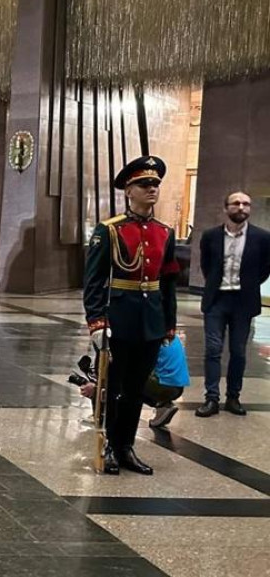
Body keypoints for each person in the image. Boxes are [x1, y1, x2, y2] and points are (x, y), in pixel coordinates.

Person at [83, 156, 179, 475]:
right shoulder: (110, 230)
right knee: (113, 387)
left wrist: (168, 324)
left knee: (137, 389)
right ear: (129, 190)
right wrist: (97, 322)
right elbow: (94, 280)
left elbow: (168, 282)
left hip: (150, 323)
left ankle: (126, 447)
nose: (152, 189)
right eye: (144, 184)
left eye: (155, 184)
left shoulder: (165, 232)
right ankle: (109, 446)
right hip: (119, 321)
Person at [195, 191, 270, 417]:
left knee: (238, 351)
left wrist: (247, 284)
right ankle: (211, 398)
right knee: (213, 349)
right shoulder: (211, 236)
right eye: (236, 203)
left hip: (243, 302)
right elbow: (206, 265)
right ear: (226, 208)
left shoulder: (262, 237)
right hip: (216, 300)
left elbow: (264, 269)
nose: (241, 207)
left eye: (246, 204)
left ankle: (233, 397)